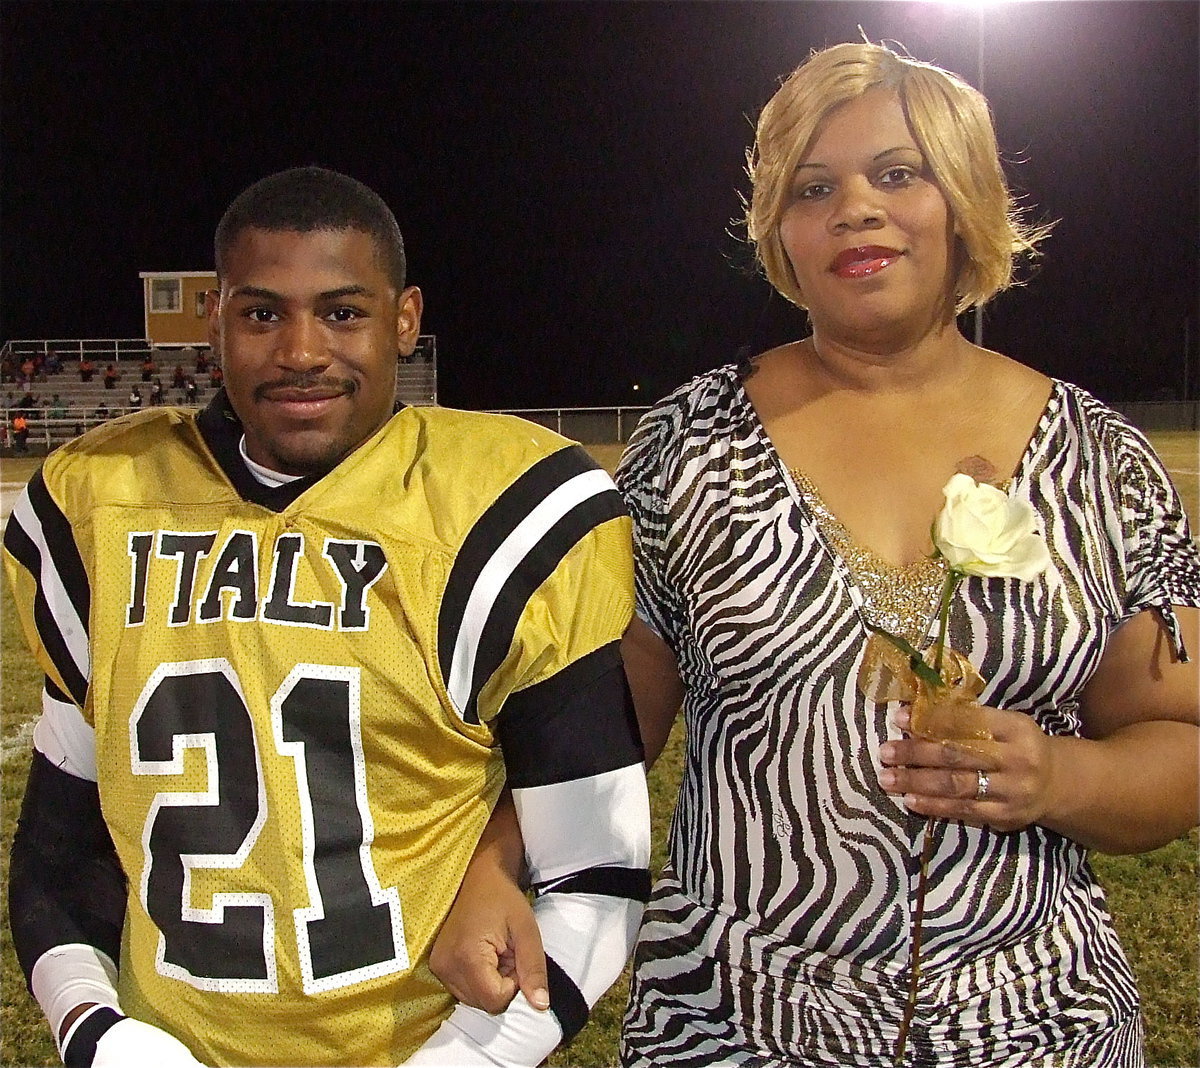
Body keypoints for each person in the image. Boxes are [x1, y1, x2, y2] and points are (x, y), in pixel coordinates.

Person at [430, 42, 1200, 1066]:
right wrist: (496, 861)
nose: (855, 210)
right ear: (779, 230)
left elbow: (1176, 737)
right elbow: (608, 725)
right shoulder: (689, 448)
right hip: (731, 1020)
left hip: (1036, 1024)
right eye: (813, 187)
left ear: (964, 201)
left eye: (898, 173)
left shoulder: (1099, 461)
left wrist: (1060, 776)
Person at [4, 166, 650, 1068]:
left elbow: (596, 871)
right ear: (215, 321)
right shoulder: (97, 506)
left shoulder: (497, 509)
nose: (301, 351)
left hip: (422, 1041)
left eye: (342, 312)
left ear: (405, 320)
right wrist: (96, 1031)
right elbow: (61, 853)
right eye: (262, 314)